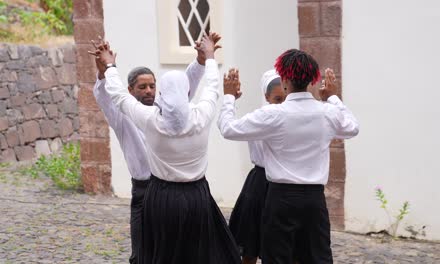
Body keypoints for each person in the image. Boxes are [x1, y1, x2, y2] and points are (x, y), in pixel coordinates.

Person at [89, 34, 241, 264]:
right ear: (132, 90)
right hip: (162, 192)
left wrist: (110, 67)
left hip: (161, 195)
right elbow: (211, 87)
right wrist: (209, 58)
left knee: (171, 254)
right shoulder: (200, 115)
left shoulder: (150, 118)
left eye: (153, 86)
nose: (150, 91)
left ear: (162, 94)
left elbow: (119, 95)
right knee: (145, 255)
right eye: (143, 87)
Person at [218, 49, 359, 264]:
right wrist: (333, 98)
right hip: (314, 198)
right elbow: (352, 128)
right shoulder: (327, 112)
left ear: (284, 80)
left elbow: (228, 129)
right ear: (313, 80)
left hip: (281, 198)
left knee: (277, 257)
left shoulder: (273, 114)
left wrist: (229, 97)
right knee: (317, 256)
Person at [227, 69, 285, 264]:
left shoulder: (292, 117)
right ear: (266, 96)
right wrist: (230, 100)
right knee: (251, 243)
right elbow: (230, 128)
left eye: (285, 98)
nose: (281, 104)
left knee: (281, 245)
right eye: (277, 99)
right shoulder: (257, 118)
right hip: (260, 184)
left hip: (284, 184)